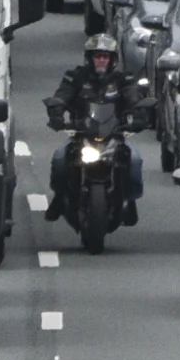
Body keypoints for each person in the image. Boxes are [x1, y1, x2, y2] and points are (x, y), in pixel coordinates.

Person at [44, 37, 149, 231]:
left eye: (105, 57)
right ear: (89, 58)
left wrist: (140, 116)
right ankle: (59, 198)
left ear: (112, 60)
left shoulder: (123, 79)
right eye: (97, 56)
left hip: (114, 135)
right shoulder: (76, 76)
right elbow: (62, 96)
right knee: (60, 159)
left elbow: (134, 98)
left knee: (134, 160)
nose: (101, 60)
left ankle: (130, 200)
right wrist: (56, 114)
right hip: (82, 134)